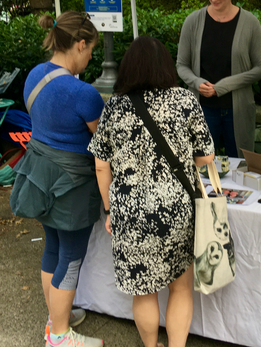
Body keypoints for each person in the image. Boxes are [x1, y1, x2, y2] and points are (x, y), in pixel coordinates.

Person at [89, 36, 215, 347]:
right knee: (181, 288)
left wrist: (109, 210)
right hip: (176, 211)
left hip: (130, 213)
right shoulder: (186, 101)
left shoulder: (114, 106)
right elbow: (206, 157)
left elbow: (101, 165)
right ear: (166, 67)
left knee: (143, 292)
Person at [10, 12, 105, 347]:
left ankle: (56, 318)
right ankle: (61, 336)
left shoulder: (35, 75)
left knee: (53, 247)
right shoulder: (84, 93)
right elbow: (103, 145)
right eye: (90, 49)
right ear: (79, 44)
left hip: (40, 177)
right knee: (72, 256)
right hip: (72, 184)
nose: (91, 57)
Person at [177, 0, 261, 158]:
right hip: (202, 108)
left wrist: (225, 85)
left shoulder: (250, 23)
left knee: (241, 165)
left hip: (238, 110)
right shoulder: (192, 22)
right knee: (201, 164)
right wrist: (197, 83)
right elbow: (181, 65)